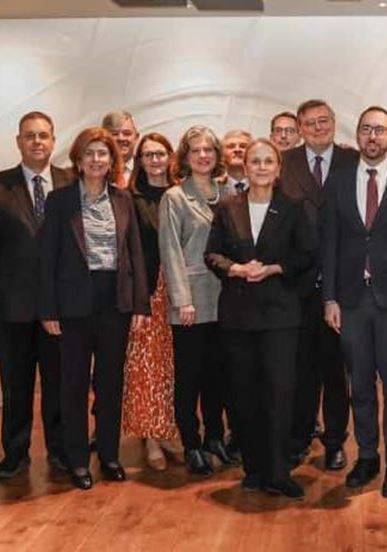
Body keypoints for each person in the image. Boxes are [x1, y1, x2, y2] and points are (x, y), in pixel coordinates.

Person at [323, 106, 387, 498]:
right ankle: (367, 456)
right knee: (361, 385)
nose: (372, 136)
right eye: (366, 129)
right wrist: (329, 297)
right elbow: (330, 243)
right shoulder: (338, 181)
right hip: (351, 301)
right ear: (358, 134)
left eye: (380, 130)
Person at [39, 127, 149, 490]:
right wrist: (49, 309)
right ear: (78, 159)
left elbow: (134, 254)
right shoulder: (60, 201)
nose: (96, 159)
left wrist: (139, 305)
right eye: (89, 153)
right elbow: (48, 258)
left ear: (112, 159)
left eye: (103, 153)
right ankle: (77, 461)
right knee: (72, 384)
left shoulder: (123, 199)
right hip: (73, 303)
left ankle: (109, 454)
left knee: (110, 383)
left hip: (114, 301)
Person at [205, 138, 315, 499]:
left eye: (269, 161)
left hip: (280, 316)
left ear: (278, 168)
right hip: (238, 317)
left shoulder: (294, 208)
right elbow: (212, 255)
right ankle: (253, 469)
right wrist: (235, 268)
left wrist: (274, 268)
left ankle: (279, 471)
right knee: (244, 394)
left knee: (279, 395)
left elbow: (307, 256)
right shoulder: (227, 207)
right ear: (245, 166)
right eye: (256, 161)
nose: (262, 167)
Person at [279, 99, 359, 471]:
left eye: (324, 120)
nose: (318, 127)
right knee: (301, 368)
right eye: (309, 123)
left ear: (334, 122)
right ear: (299, 128)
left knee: (336, 370)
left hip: (343, 283)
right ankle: (299, 438)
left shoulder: (353, 159)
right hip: (297, 284)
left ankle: (335, 442)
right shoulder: (285, 162)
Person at [0, 111, 72, 478]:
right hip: (13, 306)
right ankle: (15, 453)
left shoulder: (71, 182)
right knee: (16, 384)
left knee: (59, 382)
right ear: (18, 142)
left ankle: (60, 451)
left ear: (53, 140)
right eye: (30, 135)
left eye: (43, 135)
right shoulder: (2, 185)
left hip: (61, 306)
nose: (37, 141)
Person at [159, 125, 233, 476]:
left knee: (218, 374)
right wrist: (181, 300)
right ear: (185, 157)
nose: (203, 155)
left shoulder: (228, 192)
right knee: (189, 377)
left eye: (209, 149)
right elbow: (170, 251)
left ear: (217, 155)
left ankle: (215, 436)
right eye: (196, 150)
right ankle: (191, 442)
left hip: (227, 299)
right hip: (191, 300)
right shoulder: (174, 197)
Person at [121, 133, 180, 471]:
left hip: (180, 291)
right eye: (148, 155)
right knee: (148, 367)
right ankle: (151, 438)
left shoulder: (181, 193)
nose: (155, 160)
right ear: (140, 161)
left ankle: (166, 429)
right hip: (148, 292)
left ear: (170, 156)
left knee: (173, 367)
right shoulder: (130, 199)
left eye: (160, 153)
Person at [102, 111, 140, 187]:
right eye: (114, 134)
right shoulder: (96, 169)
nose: (121, 138)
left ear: (136, 137)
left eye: (127, 133)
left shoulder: (147, 169)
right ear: (104, 138)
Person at [221, 130, 252, 194]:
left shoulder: (265, 184)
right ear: (222, 153)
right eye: (231, 146)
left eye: (243, 146)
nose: (237, 150)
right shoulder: (213, 187)